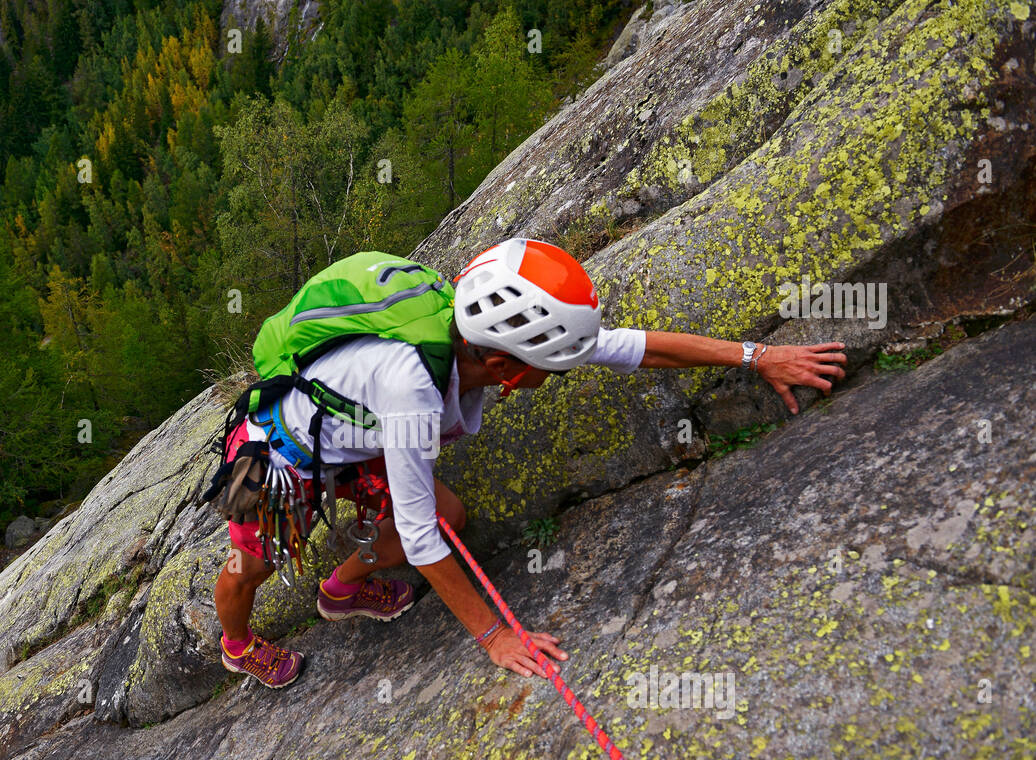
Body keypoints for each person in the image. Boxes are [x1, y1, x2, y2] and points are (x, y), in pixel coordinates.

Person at [213, 238, 847, 688]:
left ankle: (340, 589)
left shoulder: (482, 338)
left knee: (450, 514)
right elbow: (415, 531)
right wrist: (498, 638)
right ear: (505, 368)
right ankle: (237, 645)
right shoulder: (411, 383)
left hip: (360, 434)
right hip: (285, 452)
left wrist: (757, 356)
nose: (564, 371)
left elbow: (636, 349)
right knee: (253, 567)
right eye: (554, 367)